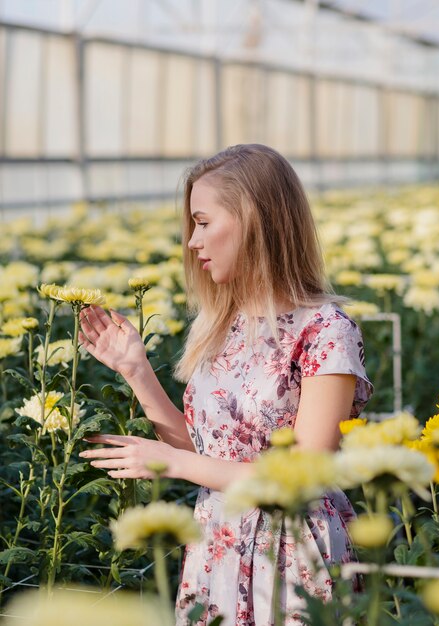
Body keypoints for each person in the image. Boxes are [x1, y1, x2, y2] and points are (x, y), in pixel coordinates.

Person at [78, 144, 373, 625]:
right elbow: (203, 452)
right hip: (217, 548)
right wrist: (136, 370)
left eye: (203, 221)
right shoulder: (224, 323)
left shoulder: (325, 330)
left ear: (253, 220)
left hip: (292, 556)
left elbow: (307, 476)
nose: (192, 241)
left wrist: (172, 462)